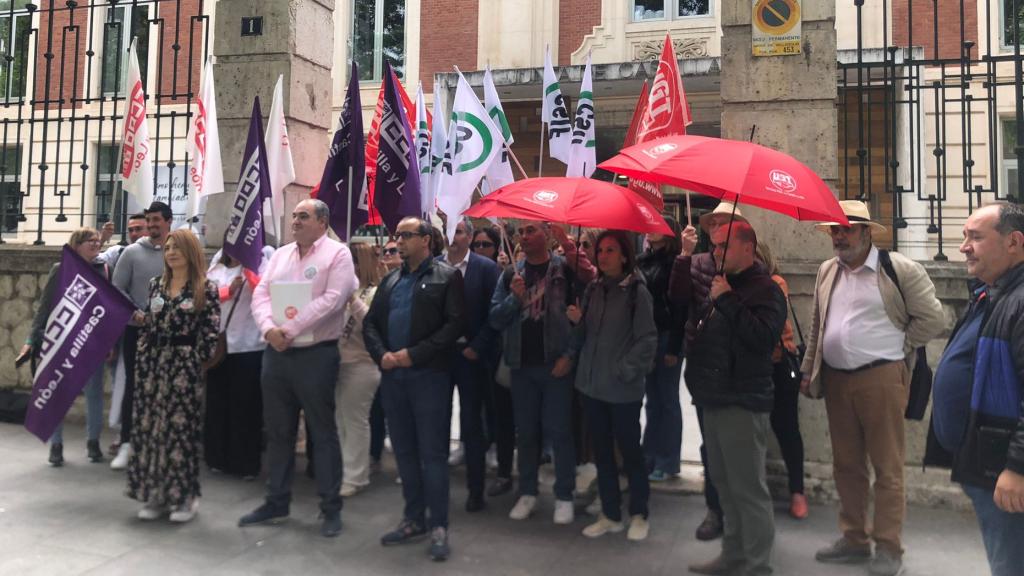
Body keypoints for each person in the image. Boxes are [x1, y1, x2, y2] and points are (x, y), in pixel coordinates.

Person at [801, 201, 944, 576]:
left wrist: (901, 346)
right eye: (834, 229)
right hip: (837, 380)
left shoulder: (898, 269)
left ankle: (888, 547)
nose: (839, 235)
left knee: (887, 468)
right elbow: (818, 324)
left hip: (881, 379)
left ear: (867, 232)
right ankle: (854, 539)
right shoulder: (826, 271)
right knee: (846, 465)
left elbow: (933, 318)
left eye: (847, 228)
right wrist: (808, 368)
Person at [239, 198, 358, 538]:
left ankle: (330, 507)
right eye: (293, 216)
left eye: (303, 216)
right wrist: (268, 330)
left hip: (316, 355)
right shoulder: (279, 255)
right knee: (278, 432)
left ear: (322, 222)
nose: (295, 221)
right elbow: (261, 294)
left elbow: (334, 299)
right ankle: (276, 502)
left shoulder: (338, 254)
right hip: (276, 354)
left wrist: (288, 330)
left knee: (322, 433)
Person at [679, 221, 786, 576]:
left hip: (742, 399)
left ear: (747, 248)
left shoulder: (765, 289)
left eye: (723, 245)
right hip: (713, 395)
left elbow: (761, 338)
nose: (715, 252)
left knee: (748, 490)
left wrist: (726, 300)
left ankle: (758, 565)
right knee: (724, 484)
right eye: (713, 245)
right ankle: (734, 554)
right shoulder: (720, 284)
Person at [925, 202, 1024, 576]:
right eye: (964, 236)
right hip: (986, 462)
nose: (964, 246)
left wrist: (1017, 466)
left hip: (1005, 468)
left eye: (976, 237)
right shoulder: (992, 292)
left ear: (1014, 242)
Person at [363, 216, 465, 562]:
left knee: (433, 454)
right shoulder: (391, 280)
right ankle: (413, 518)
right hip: (394, 378)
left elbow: (454, 326)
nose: (399, 241)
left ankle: (439, 525)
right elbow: (371, 324)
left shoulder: (447, 277)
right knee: (403, 452)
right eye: (398, 235)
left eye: (406, 236)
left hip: (429, 378)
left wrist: (413, 355)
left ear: (426, 240)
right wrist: (383, 356)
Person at [489, 220, 596, 525]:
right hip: (521, 365)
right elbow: (494, 318)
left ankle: (564, 494)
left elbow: (582, 315)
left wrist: (570, 356)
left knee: (560, 432)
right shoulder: (511, 273)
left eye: (531, 230)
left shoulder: (565, 269)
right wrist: (514, 299)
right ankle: (528, 492)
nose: (524, 236)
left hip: (556, 365)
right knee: (527, 433)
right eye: (521, 231)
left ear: (547, 235)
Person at [566, 230, 658, 541]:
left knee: (630, 453)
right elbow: (588, 335)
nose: (602, 255)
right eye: (600, 250)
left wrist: (625, 370)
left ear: (624, 256)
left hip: (622, 391)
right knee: (603, 454)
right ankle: (610, 512)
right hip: (592, 387)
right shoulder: (593, 289)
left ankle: (639, 512)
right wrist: (579, 321)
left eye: (610, 250)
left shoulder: (636, 293)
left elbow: (647, 340)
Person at [127, 229, 220, 523]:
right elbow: (148, 323)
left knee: (179, 433)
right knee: (151, 430)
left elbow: (210, 331)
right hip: (153, 366)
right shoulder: (156, 285)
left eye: (177, 247)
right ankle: (155, 495)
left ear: (190, 251)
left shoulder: (206, 288)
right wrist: (144, 351)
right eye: (167, 248)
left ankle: (184, 497)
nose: (170, 252)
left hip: (183, 368)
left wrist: (195, 360)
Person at [669, 201, 749, 541]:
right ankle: (714, 509)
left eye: (724, 221)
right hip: (704, 367)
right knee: (709, 447)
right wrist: (683, 256)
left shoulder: (749, 268)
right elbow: (677, 296)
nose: (717, 227)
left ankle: (741, 514)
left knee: (739, 449)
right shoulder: (698, 262)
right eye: (713, 222)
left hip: (739, 371)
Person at [20, 228, 107, 466]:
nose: (96, 244)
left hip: (91, 342)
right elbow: (45, 307)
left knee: (94, 393)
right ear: (76, 245)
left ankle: (93, 442)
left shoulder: (103, 269)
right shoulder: (61, 270)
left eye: (98, 241)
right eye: (91, 241)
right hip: (61, 341)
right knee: (57, 393)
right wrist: (30, 339)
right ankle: (56, 445)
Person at [441, 219, 501, 512]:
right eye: (449, 231)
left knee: (471, 424)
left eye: (460, 231)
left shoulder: (486, 269)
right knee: (437, 421)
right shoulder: (435, 265)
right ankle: (435, 486)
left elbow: (495, 313)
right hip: (440, 356)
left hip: (471, 356)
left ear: (469, 237)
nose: (453, 237)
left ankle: (475, 490)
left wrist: (478, 346)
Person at [110, 201, 173, 470]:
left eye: (157, 219)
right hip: (137, 331)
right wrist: (134, 313)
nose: (152, 225)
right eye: (150, 220)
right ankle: (127, 442)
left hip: (170, 333)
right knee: (134, 388)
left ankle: (162, 445)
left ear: (168, 221)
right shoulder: (132, 253)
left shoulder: (178, 251)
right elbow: (117, 288)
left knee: (166, 390)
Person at [203, 247, 272, 478]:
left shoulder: (261, 261)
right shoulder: (216, 267)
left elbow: (266, 292)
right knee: (217, 403)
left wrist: (249, 270)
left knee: (246, 406)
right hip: (219, 346)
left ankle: (245, 461)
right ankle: (217, 456)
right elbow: (203, 295)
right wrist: (227, 291)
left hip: (248, 345)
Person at [755, 241, 808, 520]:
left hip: (778, 365)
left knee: (787, 430)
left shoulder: (775, 283)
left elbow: (772, 321)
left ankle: (798, 491)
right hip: (753, 368)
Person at [637, 215, 686, 483]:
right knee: (652, 399)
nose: (651, 230)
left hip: (667, 335)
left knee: (667, 399)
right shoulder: (642, 261)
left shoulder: (676, 264)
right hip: (646, 334)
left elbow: (680, 307)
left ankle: (668, 460)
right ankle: (650, 454)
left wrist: (676, 347)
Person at [336, 242, 383, 498]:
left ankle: (356, 476)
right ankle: (345, 468)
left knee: (355, 420)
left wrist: (352, 299)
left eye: (351, 262)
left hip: (363, 364)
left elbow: (372, 323)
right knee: (340, 420)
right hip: (338, 362)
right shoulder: (338, 291)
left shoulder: (374, 292)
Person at [473, 225, 516, 495]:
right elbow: (496, 313)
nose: (480, 250)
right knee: (492, 413)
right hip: (483, 355)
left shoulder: (506, 274)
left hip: (504, 353)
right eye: (476, 245)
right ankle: (499, 466)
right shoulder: (508, 276)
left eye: (485, 245)